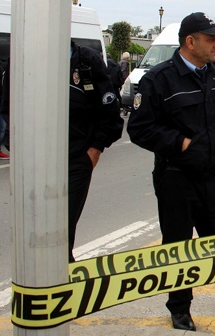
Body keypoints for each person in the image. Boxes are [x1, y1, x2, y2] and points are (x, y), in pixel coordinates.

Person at [126, 12, 215, 332]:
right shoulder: (159, 79)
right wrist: (178, 143)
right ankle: (179, 308)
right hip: (175, 176)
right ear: (190, 42)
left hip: (210, 176)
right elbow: (138, 128)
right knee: (178, 244)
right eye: (211, 39)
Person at [68, 41, 124, 261]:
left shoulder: (86, 61)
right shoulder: (25, 57)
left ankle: (62, 283)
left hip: (75, 159)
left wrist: (95, 150)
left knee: (62, 227)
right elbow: (8, 106)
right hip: (35, 160)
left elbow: (109, 108)